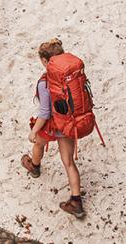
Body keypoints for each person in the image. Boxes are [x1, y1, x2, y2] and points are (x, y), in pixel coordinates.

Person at [21, 38, 86, 219]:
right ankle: (76, 202)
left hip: (50, 126)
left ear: (44, 61)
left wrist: (34, 131)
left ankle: (34, 167)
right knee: (69, 163)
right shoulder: (71, 77)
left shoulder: (45, 83)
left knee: (38, 144)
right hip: (67, 125)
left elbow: (44, 112)